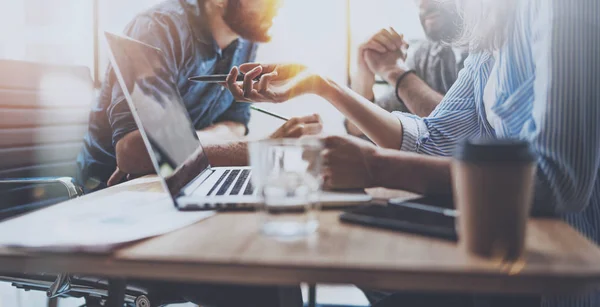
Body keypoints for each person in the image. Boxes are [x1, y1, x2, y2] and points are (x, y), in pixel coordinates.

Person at [225, 0, 600, 305]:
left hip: (564, 277)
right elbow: (434, 139)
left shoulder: (564, 8)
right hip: (510, 261)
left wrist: (375, 166)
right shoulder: (494, 24)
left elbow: (558, 182)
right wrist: (321, 85)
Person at [76, 0, 319, 192]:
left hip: (183, 177)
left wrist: (181, 144)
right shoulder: (157, 28)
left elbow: (236, 124)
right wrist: (260, 149)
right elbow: (133, 153)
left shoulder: (245, 39)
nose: (279, 4)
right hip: (118, 190)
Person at [347, 0, 467, 138]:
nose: (422, 3)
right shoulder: (425, 55)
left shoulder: (491, 53)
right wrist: (364, 80)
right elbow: (358, 129)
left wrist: (394, 71)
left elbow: (465, 132)